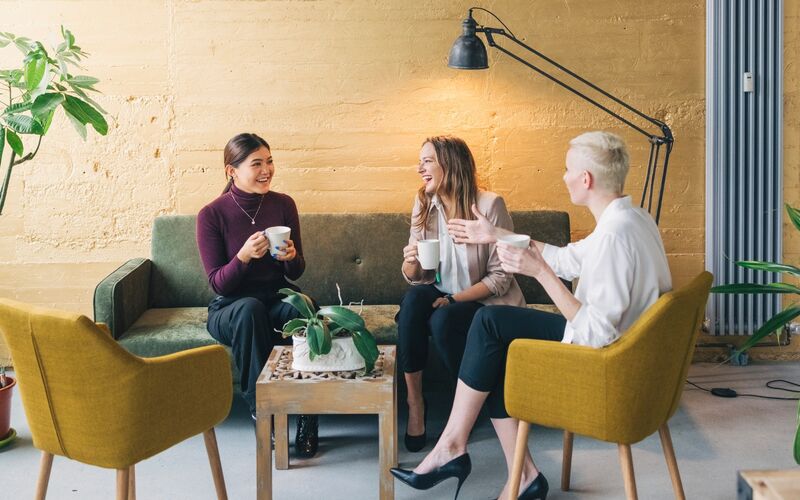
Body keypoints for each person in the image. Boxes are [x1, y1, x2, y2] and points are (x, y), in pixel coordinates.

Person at [391, 131, 672, 500]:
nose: (564, 176)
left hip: (607, 366)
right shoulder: (632, 219)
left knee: (489, 331)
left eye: (568, 169)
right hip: (623, 351)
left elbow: (595, 332)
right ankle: (505, 467)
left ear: (585, 180)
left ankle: (456, 449)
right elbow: (567, 259)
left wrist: (539, 271)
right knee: (489, 332)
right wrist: (496, 234)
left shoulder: (614, 238)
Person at [398, 136, 525, 453]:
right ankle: (415, 404)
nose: (419, 168)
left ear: (449, 164)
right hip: (442, 291)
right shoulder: (425, 204)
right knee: (413, 303)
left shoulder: (489, 206)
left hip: (485, 301)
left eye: (427, 161)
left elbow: (500, 278)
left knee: (443, 320)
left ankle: (464, 410)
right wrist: (410, 262)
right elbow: (419, 279)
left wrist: (454, 300)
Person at [196, 132, 319, 458]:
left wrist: (291, 258)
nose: (266, 170)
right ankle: (264, 413)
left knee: (305, 309)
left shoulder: (283, 204)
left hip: (275, 297)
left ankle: (308, 415)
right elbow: (218, 284)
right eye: (256, 164)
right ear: (231, 171)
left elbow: (296, 273)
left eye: (269, 161)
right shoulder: (211, 215)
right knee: (250, 309)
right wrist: (243, 257)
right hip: (231, 307)